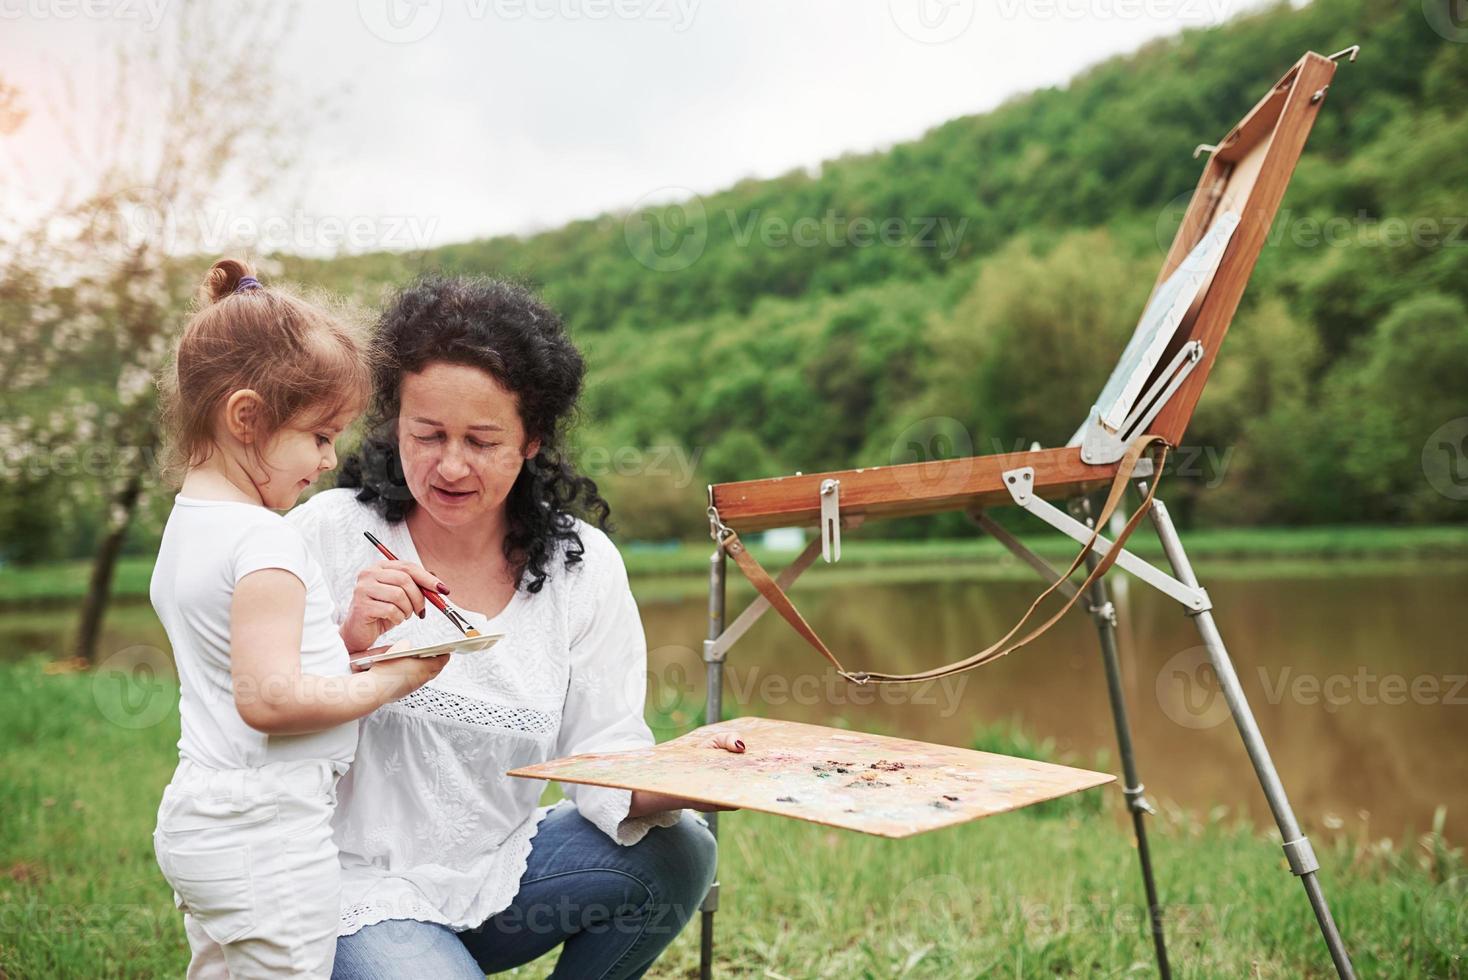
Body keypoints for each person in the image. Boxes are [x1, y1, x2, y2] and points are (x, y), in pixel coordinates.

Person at [285, 276, 727, 979]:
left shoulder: (581, 568)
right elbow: (256, 714)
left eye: (482, 440)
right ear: (393, 423)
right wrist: (349, 643)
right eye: (426, 434)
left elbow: (603, 759)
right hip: (351, 888)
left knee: (683, 851)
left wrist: (700, 776)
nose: (449, 465)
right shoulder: (328, 535)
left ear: (532, 441)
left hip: (502, 876)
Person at [149, 259, 448, 979]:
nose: (330, 458)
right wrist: (395, 679)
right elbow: (271, 700)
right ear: (246, 417)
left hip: (208, 824)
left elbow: (244, 667)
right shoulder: (265, 539)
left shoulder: (193, 526)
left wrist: (348, 643)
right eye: (318, 435)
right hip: (269, 838)